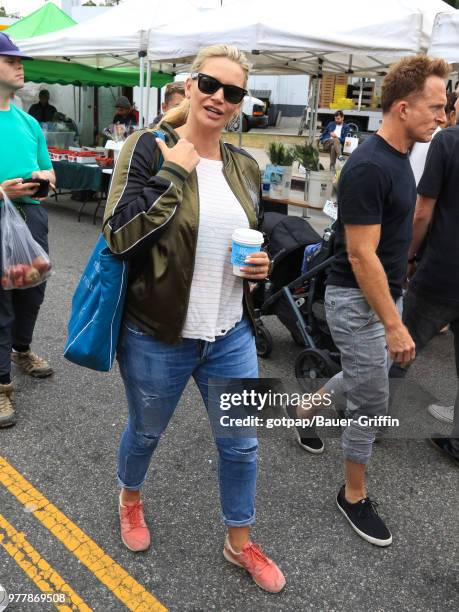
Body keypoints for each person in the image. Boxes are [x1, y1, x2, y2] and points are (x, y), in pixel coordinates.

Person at [102, 44, 285, 593]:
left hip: (231, 332)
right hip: (159, 334)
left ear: (239, 103)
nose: (219, 98)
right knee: (147, 429)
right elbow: (117, 235)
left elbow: (254, 241)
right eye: (211, 84)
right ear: (190, 83)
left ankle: (238, 542)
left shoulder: (245, 166)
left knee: (243, 444)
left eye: (233, 92)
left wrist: (261, 268)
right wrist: (174, 173)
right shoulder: (147, 148)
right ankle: (130, 497)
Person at [300, 55, 448, 547]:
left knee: (365, 377)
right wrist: (393, 324)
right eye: (436, 107)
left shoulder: (400, 155)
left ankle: (303, 412)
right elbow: (361, 257)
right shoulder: (368, 165)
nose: (443, 117)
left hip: (386, 293)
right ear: (403, 108)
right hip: (357, 300)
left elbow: (388, 242)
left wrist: (401, 285)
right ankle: (353, 496)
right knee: (372, 397)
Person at [392, 85, 459, 465]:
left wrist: (409, 256)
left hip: (442, 271)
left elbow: (422, 211)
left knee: (402, 347)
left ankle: (373, 421)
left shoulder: (447, 141)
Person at [0, 33, 56, 428]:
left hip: (31, 216)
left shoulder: (29, 121)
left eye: (20, 59)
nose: (20, 65)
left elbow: (48, 168)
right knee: (0, 302)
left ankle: (21, 351)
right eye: (9, 59)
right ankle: (1, 387)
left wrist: (42, 179)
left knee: (32, 292)